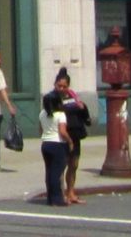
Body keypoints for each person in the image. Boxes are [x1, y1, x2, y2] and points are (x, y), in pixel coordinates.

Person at [54, 67, 92, 204]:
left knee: (73, 164)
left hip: (75, 134)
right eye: (60, 86)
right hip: (61, 135)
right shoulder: (52, 98)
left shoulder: (73, 96)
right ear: (55, 85)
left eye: (64, 86)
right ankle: (61, 194)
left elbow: (83, 114)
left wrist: (83, 108)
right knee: (61, 165)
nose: (62, 88)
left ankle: (71, 192)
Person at [39, 89, 72, 207]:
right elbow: (62, 132)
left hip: (46, 144)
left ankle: (50, 197)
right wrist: (70, 141)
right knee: (57, 172)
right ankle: (57, 199)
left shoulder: (42, 114)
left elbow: (40, 130)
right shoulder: (60, 115)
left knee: (49, 171)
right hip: (57, 144)